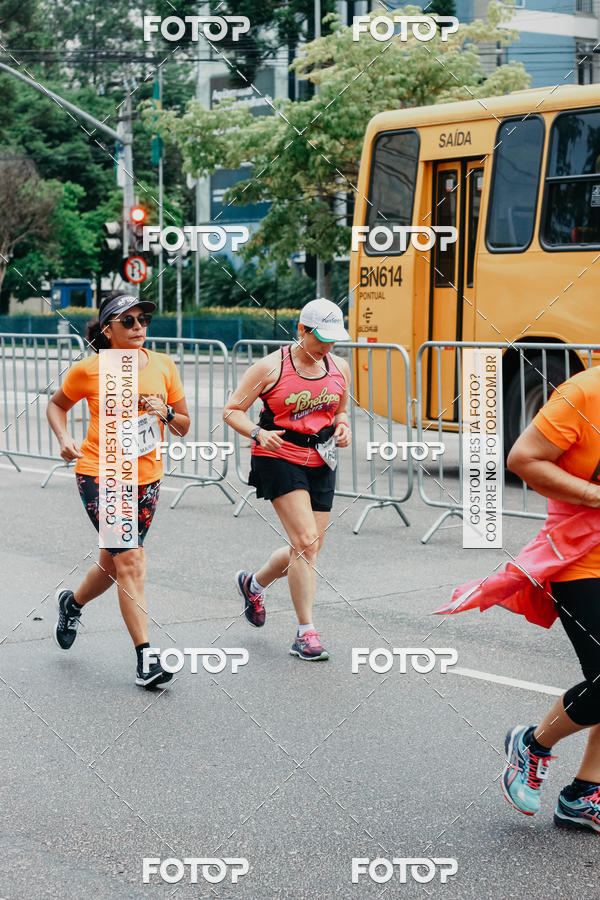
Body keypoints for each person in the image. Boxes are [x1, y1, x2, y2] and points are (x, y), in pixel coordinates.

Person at [440, 366, 600, 833]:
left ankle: (583, 795)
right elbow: (525, 458)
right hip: (582, 558)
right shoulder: (584, 392)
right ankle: (533, 743)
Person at [46, 292, 190, 688]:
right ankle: (146, 659)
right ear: (107, 329)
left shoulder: (163, 365)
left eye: (143, 319)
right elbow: (56, 405)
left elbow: (184, 425)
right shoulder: (88, 370)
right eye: (127, 321)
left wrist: (168, 413)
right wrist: (64, 438)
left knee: (114, 564)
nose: (139, 327)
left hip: (147, 477)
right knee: (131, 561)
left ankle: (71, 603)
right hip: (101, 473)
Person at [223, 298, 352, 661]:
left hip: (322, 457)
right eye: (321, 338)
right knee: (305, 541)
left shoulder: (339, 366)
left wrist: (342, 426)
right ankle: (305, 632)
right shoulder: (270, 367)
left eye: (333, 339)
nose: (328, 346)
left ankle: (254, 583)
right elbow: (232, 410)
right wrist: (257, 433)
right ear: (301, 331)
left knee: (310, 548)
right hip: (277, 455)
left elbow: (340, 409)